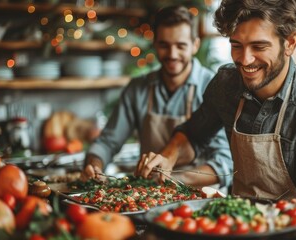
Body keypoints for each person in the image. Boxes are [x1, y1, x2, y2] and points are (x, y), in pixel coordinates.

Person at [135, 0, 296, 232]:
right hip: (235, 227)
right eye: (236, 45)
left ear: (290, 42)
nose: (245, 60)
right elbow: (193, 133)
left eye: (259, 47)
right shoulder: (226, 84)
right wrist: (169, 156)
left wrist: (263, 217)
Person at [81, 5, 233, 189]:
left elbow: (225, 163)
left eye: (180, 46)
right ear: (155, 44)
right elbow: (107, 142)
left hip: (200, 199)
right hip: (148, 196)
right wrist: (94, 165)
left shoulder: (214, 88)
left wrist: (175, 181)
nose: (172, 54)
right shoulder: (138, 89)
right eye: (164, 45)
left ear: (195, 45)